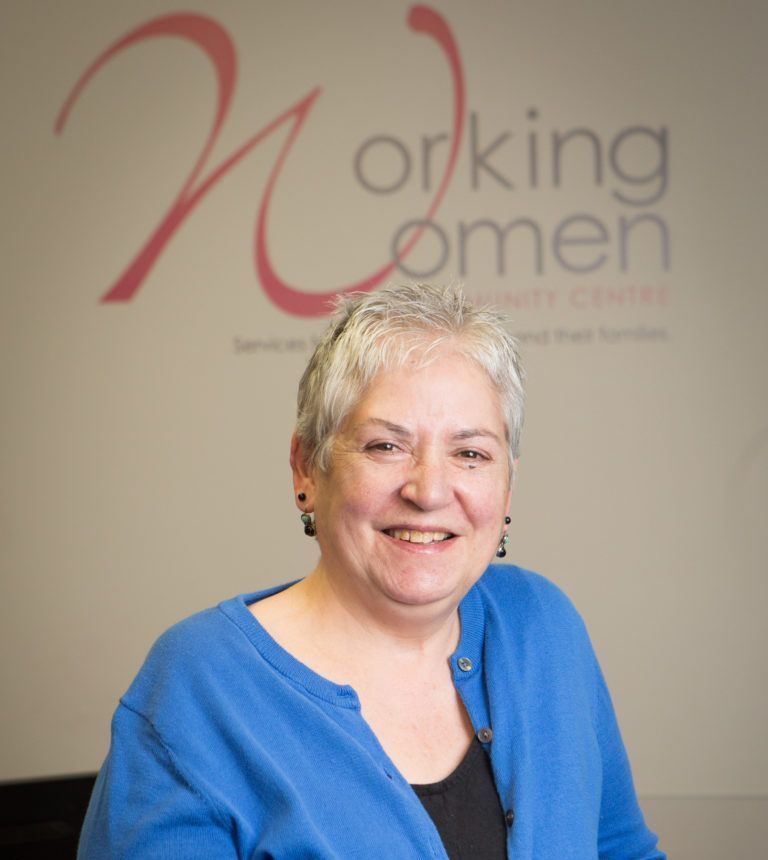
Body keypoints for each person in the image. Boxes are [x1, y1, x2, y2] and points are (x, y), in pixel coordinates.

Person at [78, 283, 665, 859]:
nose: (430, 490)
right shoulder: (196, 689)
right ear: (307, 468)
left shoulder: (543, 624)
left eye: (470, 453)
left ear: (508, 484)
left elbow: (621, 851)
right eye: (386, 446)